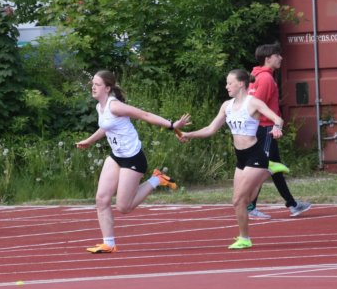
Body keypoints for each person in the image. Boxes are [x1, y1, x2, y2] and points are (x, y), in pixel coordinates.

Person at [75, 70, 191, 254]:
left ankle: (157, 179)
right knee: (101, 199)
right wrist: (89, 141)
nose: (93, 87)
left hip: (133, 158)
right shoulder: (100, 107)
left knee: (123, 207)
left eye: (97, 84)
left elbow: (145, 115)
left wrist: (172, 126)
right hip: (116, 156)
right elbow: (105, 127)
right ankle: (109, 244)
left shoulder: (115, 106)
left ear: (107, 88)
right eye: (92, 84)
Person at [176, 69, 286, 250]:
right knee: (246, 202)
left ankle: (245, 238)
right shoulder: (226, 106)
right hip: (240, 157)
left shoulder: (253, 103)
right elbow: (210, 129)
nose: (226, 86)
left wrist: (277, 128)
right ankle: (268, 170)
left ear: (241, 84)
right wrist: (188, 134)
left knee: (237, 200)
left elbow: (277, 119)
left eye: (229, 83)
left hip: (255, 155)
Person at [247, 42, 311, 220]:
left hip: (262, 129)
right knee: (262, 169)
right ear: (268, 58)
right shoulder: (266, 79)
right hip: (265, 129)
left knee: (275, 168)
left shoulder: (256, 75)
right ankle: (250, 206)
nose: (281, 58)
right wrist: (274, 125)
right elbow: (256, 105)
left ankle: (292, 204)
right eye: (277, 55)